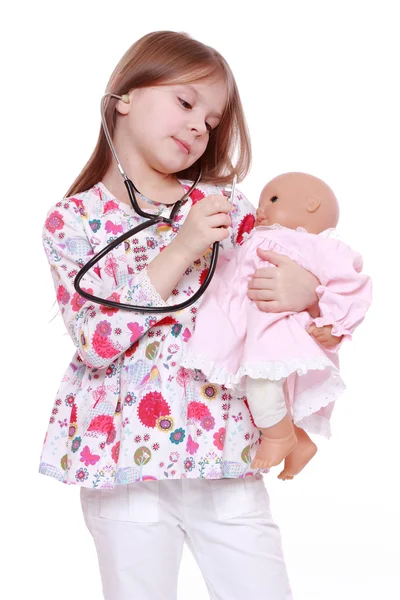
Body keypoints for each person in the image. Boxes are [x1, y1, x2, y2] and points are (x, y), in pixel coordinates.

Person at [40, 31, 321, 600]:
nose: (200, 126)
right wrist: (180, 249)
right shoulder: (69, 221)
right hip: (121, 460)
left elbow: (289, 289)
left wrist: (304, 288)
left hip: (225, 448)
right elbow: (97, 340)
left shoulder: (224, 206)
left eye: (213, 120)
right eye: (187, 103)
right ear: (124, 97)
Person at [183, 172, 372, 480]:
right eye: (261, 202)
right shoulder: (256, 238)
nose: (261, 209)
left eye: (272, 200)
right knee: (270, 390)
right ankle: (298, 441)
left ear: (312, 204)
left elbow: (350, 285)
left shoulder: (313, 245)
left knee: (262, 384)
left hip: (278, 329)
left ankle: (278, 437)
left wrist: (335, 323)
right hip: (252, 329)